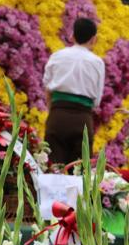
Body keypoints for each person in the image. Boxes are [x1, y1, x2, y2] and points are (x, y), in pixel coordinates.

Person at [43, 18, 105, 164]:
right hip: (83, 118)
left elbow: (47, 88)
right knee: (79, 170)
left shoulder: (57, 56)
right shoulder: (97, 62)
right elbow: (97, 100)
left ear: (73, 35)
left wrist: (53, 111)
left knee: (53, 166)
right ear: (94, 39)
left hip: (57, 116)